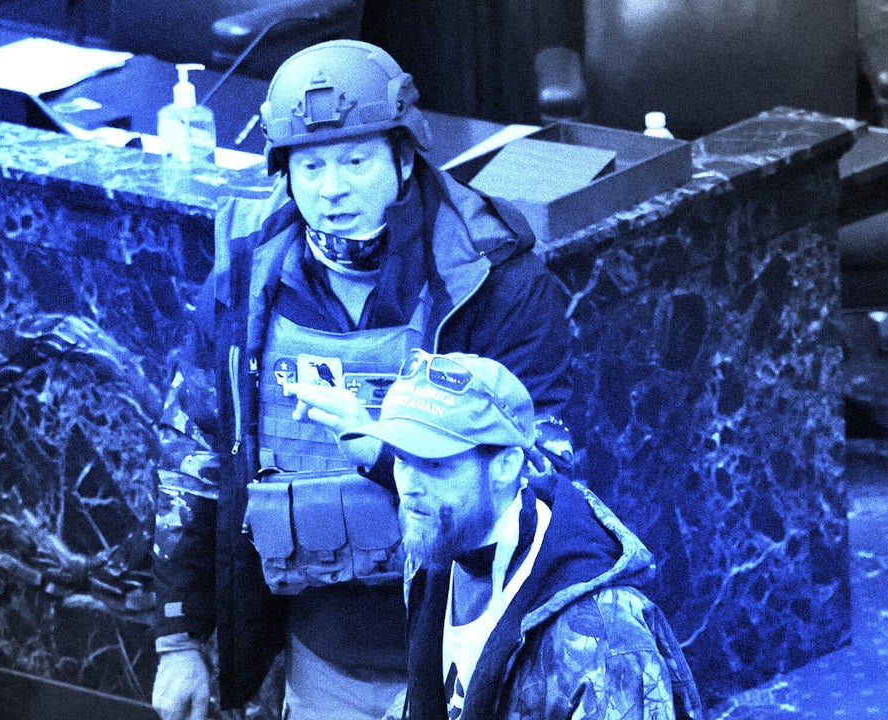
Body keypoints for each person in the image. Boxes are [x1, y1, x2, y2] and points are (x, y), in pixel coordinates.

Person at [150, 39, 574, 720]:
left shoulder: (497, 281)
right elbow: (194, 456)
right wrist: (179, 635)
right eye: (310, 166)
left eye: (354, 161)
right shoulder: (244, 276)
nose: (332, 189)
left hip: (463, 649)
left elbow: (543, 474)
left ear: (405, 158)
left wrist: (388, 453)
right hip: (320, 656)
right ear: (283, 173)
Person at [341, 350, 705, 720]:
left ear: (505, 466)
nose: (410, 487)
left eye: (435, 463)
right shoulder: (437, 551)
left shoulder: (604, 635)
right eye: (402, 458)